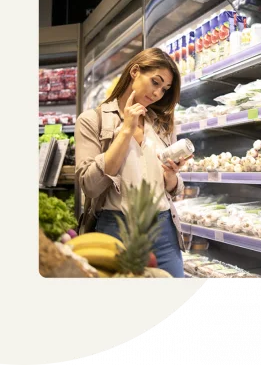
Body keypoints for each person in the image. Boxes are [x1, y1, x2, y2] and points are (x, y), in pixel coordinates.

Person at [75, 47, 190, 277]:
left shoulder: (161, 125)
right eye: (155, 82)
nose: (158, 93)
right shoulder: (92, 120)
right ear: (135, 71)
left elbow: (173, 190)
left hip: (163, 228)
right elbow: (90, 185)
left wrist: (171, 175)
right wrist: (126, 131)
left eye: (165, 89)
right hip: (116, 228)